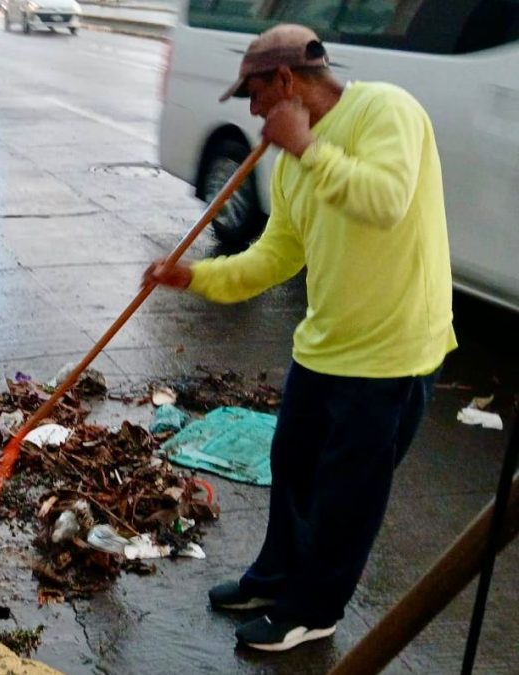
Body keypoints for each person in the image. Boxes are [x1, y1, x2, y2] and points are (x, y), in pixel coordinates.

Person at [143, 24, 456, 653]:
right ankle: (276, 578)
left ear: (287, 81)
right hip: (325, 344)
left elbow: (386, 200)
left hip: (393, 352)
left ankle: (315, 611)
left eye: (256, 95)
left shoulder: (388, 111)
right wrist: (192, 276)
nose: (253, 111)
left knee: (347, 495)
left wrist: (309, 147)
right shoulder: (287, 163)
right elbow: (274, 257)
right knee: (291, 467)